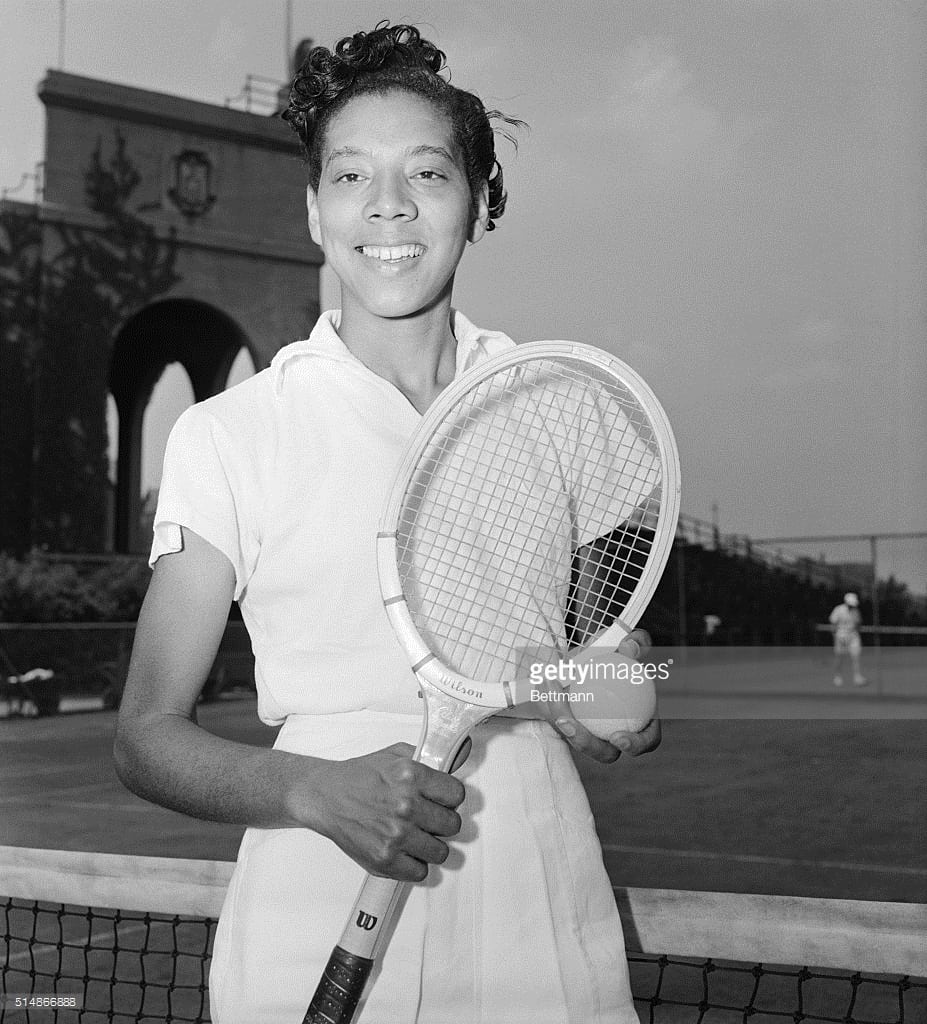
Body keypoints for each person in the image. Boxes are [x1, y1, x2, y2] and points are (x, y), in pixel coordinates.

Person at [114, 23, 659, 1023]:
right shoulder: (230, 433)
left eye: (428, 172)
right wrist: (312, 791)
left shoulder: (560, 403)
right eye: (351, 175)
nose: (389, 204)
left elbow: (589, 661)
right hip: (315, 879)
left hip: (537, 881)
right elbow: (145, 737)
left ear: (479, 201)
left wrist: (609, 689)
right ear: (314, 210)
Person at [829, 591, 866, 686]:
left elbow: (858, 624)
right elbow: (833, 623)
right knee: (839, 657)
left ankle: (857, 677)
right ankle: (837, 677)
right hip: (840, 636)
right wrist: (835, 636)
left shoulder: (856, 611)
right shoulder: (838, 609)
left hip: (853, 635)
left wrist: (856, 630)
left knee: (856, 657)